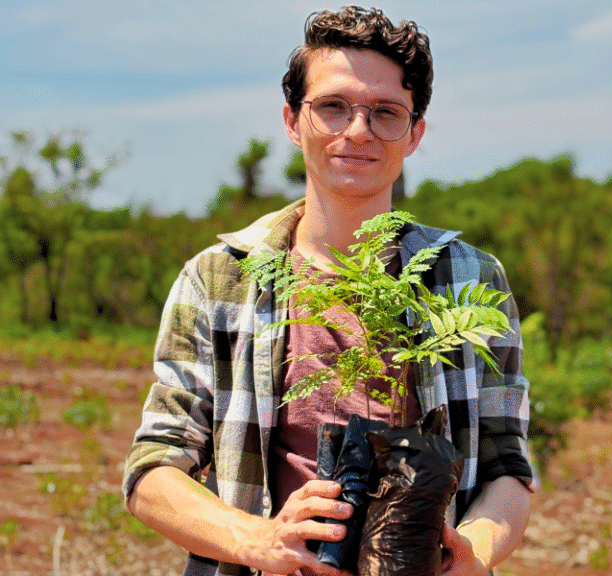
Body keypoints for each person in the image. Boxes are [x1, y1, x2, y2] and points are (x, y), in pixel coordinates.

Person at [123, 7, 533, 576]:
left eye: (385, 113)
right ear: (293, 121)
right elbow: (153, 468)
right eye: (333, 107)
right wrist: (258, 540)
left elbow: (506, 464)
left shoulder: (468, 280)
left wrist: (477, 550)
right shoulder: (219, 279)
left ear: (414, 134)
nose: (358, 131)